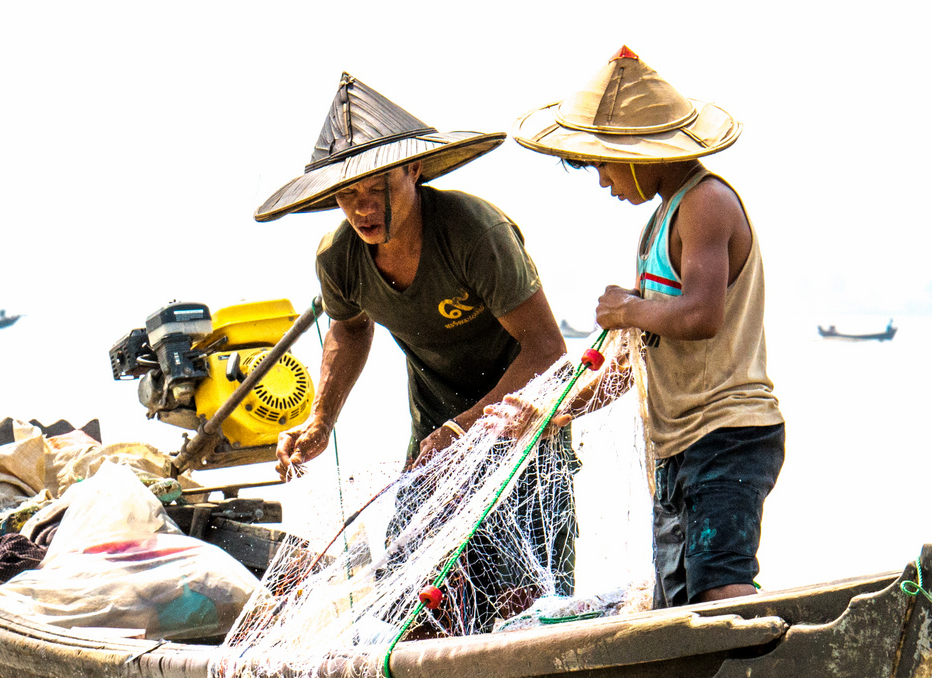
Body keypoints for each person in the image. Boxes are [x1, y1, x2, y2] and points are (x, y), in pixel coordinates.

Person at [262, 73, 572, 631]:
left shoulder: (473, 233)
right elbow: (350, 329)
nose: (360, 209)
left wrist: (465, 429)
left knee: (526, 610)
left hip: (524, 436)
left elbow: (547, 351)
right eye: (345, 194)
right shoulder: (340, 258)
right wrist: (320, 419)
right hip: (432, 445)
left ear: (413, 168)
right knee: (419, 607)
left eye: (373, 187)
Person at [509, 47, 784, 608]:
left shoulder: (706, 203)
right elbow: (638, 362)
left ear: (637, 152)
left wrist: (628, 309)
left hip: (727, 433)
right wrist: (557, 411)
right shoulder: (660, 222)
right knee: (675, 601)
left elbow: (701, 317)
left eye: (605, 165)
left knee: (718, 586)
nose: (604, 181)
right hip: (675, 446)